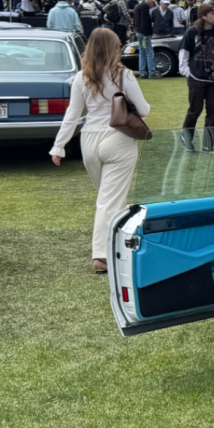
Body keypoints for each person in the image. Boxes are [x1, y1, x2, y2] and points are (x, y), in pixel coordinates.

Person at [49, 28, 150, 274]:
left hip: (89, 141)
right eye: (118, 45)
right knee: (110, 200)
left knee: (108, 198)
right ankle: (102, 255)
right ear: (112, 48)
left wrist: (59, 145)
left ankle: (119, 244)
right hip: (118, 138)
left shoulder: (81, 77)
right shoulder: (124, 75)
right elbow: (144, 110)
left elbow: (73, 114)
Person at [179, 4, 214, 152]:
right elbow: (184, 53)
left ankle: (208, 144)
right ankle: (186, 137)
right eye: (212, 14)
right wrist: (187, 72)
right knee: (195, 110)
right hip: (196, 78)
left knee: (213, 112)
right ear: (204, 16)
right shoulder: (191, 32)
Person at [133, 0, 157, 79]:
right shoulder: (145, 7)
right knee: (149, 52)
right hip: (144, 33)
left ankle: (142, 72)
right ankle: (151, 72)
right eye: (153, 4)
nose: (152, 6)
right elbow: (145, 21)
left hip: (138, 32)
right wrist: (147, 34)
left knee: (142, 52)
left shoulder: (137, 6)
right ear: (150, 3)